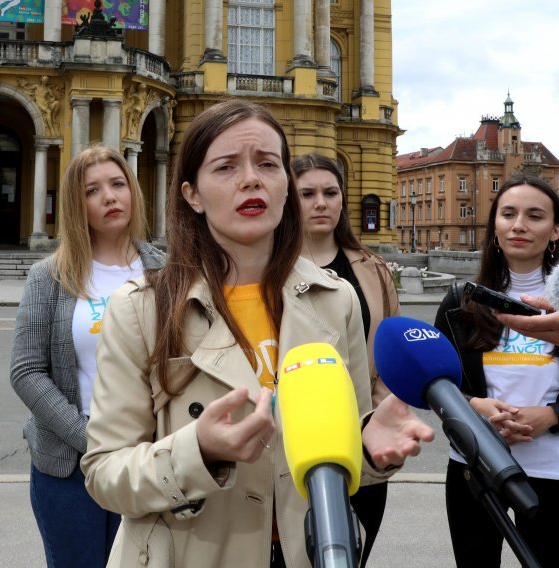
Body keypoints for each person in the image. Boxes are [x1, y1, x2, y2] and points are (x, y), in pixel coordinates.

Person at [81, 100, 433, 568]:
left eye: (268, 164)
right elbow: (105, 472)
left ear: (286, 186)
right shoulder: (141, 307)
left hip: (309, 549)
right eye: (226, 167)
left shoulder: (336, 299)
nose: (252, 179)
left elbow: (338, 459)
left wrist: (367, 449)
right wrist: (199, 451)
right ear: (192, 195)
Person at [10, 146, 164, 568]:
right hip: (69, 467)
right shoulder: (51, 275)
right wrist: (90, 437)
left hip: (147, 458)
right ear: (77, 205)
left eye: (117, 185)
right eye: (92, 190)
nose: (110, 197)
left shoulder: (165, 271)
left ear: (133, 191)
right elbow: (26, 372)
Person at [433, 173, 559, 567]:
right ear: (494, 228)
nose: (519, 225)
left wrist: (552, 416)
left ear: (555, 230)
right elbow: (434, 384)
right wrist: (476, 408)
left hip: (552, 470)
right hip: (476, 469)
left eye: (535, 216)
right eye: (508, 214)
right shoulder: (460, 302)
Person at [293, 152, 400, 567]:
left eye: (330, 192)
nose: (321, 202)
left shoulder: (372, 269)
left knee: (353, 553)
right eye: (307, 194)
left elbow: (389, 347)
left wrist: (376, 412)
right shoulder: (270, 268)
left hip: (360, 437)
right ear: (289, 201)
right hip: (296, 439)